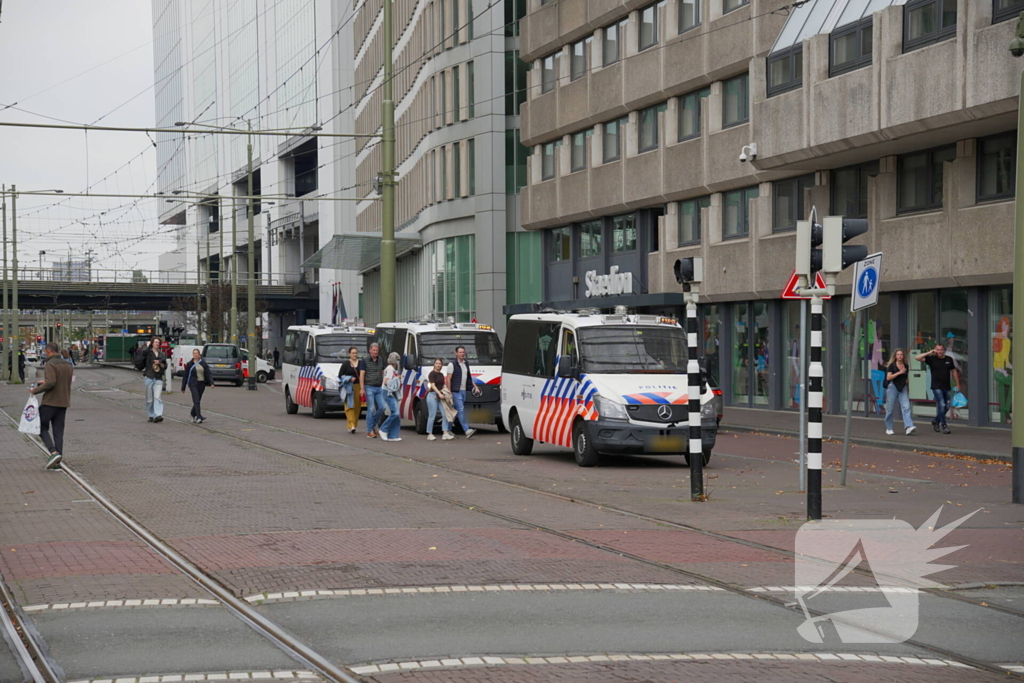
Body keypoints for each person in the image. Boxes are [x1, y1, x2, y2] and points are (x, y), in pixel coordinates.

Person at [29, 342, 73, 470]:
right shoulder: (68, 364)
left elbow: (51, 383)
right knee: (58, 432)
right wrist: (46, 381)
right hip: (63, 402)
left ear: (48, 351)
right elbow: (61, 380)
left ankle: (53, 453)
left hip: (51, 402)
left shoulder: (50, 363)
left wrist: (35, 390)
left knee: (40, 427)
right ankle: (58, 461)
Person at [915, 343, 959, 434]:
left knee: (947, 406)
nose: (939, 352)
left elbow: (954, 371)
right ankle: (944, 425)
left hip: (946, 386)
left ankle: (936, 421)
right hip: (936, 386)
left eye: (941, 350)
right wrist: (929, 352)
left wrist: (957, 384)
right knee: (941, 405)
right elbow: (917, 358)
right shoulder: (932, 359)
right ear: (935, 350)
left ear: (944, 350)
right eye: (937, 350)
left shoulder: (948, 359)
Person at [446, 345, 481, 439]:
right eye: (460, 352)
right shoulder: (452, 364)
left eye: (463, 352)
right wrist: (449, 392)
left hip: (463, 390)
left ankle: (447, 430)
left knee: (453, 411)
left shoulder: (466, 363)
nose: (462, 354)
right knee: (461, 410)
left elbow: (469, 377)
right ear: (456, 353)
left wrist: (475, 387)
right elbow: (448, 379)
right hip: (455, 391)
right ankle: (467, 430)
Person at [136, 336, 169, 423]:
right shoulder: (148, 352)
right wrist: (147, 346)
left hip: (158, 377)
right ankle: (151, 414)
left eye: (158, 342)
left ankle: (158, 415)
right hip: (149, 377)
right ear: (152, 343)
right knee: (149, 399)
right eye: (155, 342)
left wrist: (160, 363)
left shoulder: (162, 354)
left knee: (157, 397)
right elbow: (143, 353)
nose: (157, 344)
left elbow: (165, 366)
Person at [884, 348, 916, 436]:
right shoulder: (891, 366)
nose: (899, 356)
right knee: (890, 409)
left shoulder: (906, 366)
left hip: (903, 387)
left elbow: (906, 378)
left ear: (903, 356)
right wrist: (900, 372)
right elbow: (888, 377)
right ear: (895, 356)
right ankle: (889, 428)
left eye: (901, 354)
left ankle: (909, 426)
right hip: (892, 387)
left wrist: (907, 386)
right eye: (898, 354)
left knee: (906, 406)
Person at [360, 342, 386, 438]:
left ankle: (373, 425)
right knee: (371, 409)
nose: (375, 352)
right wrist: (362, 388)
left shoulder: (381, 360)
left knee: (382, 407)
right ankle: (370, 430)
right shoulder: (365, 360)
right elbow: (362, 374)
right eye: (374, 350)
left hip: (379, 387)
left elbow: (383, 372)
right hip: (369, 386)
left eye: (377, 350)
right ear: (370, 350)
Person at [181, 348, 213, 424]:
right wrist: (183, 387)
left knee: (198, 400)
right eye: (194, 353)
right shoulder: (189, 364)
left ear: (199, 354)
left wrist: (211, 383)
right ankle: (198, 417)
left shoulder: (203, 363)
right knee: (196, 400)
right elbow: (185, 375)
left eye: (197, 353)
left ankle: (192, 414)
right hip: (193, 384)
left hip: (201, 384)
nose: (195, 354)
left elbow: (208, 373)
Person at [424, 358, 452, 441]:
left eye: (440, 363)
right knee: (432, 415)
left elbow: (443, 385)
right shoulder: (432, 374)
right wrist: (439, 393)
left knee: (445, 414)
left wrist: (446, 392)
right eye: (437, 363)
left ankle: (445, 433)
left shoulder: (441, 375)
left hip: (440, 396)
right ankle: (430, 433)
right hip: (432, 396)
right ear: (434, 364)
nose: (438, 365)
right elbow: (432, 385)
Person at [339, 346, 365, 434]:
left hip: (358, 386)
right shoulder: (346, 364)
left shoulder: (361, 363)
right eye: (353, 353)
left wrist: (363, 388)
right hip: (348, 387)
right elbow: (340, 375)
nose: (354, 355)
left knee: (357, 406)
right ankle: (352, 424)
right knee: (349, 405)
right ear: (349, 354)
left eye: (356, 353)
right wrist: (349, 378)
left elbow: (363, 374)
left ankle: (353, 425)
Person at [378, 352, 403, 442]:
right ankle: (383, 429)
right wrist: (397, 379)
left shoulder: (391, 369)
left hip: (391, 392)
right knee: (395, 412)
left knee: (396, 415)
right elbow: (386, 381)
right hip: (387, 392)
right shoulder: (390, 369)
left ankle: (393, 435)